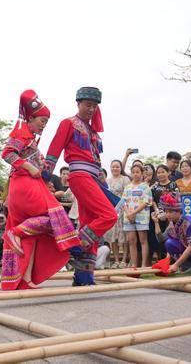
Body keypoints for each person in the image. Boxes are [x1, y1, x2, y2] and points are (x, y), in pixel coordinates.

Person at [1, 90, 80, 290]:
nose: (43, 125)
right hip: (24, 183)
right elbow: (7, 153)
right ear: (31, 117)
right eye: (41, 121)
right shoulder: (21, 133)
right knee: (54, 216)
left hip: (28, 183)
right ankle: (15, 233)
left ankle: (25, 279)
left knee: (33, 236)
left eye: (46, 122)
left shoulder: (31, 139)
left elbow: (38, 163)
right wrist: (30, 167)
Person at [44, 86, 118, 286]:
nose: (91, 109)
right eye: (88, 105)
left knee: (89, 224)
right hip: (79, 175)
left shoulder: (93, 132)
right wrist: (45, 176)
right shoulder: (68, 123)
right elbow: (54, 149)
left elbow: (97, 161)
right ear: (78, 103)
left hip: (93, 178)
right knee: (109, 215)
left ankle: (84, 277)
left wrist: (104, 184)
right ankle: (73, 244)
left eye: (94, 106)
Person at [120, 163, 152, 267]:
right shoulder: (127, 187)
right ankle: (134, 265)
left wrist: (133, 213)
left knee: (143, 240)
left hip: (141, 218)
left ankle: (143, 265)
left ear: (142, 173)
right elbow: (123, 202)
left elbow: (146, 202)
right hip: (128, 218)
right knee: (131, 241)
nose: (135, 174)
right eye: (133, 172)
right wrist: (128, 213)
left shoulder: (145, 187)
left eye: (138, 172)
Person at [104, 159, 130, 268]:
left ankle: (124, 260)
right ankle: (116, 260)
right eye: (113, 166)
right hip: (111, 211)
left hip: (123, 210)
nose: (115, 168)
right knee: (112, 237)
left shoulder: (125, 179)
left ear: (121, 168)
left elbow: (128, 194)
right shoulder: (107, 181)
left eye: (117, 166)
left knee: (124, 235)